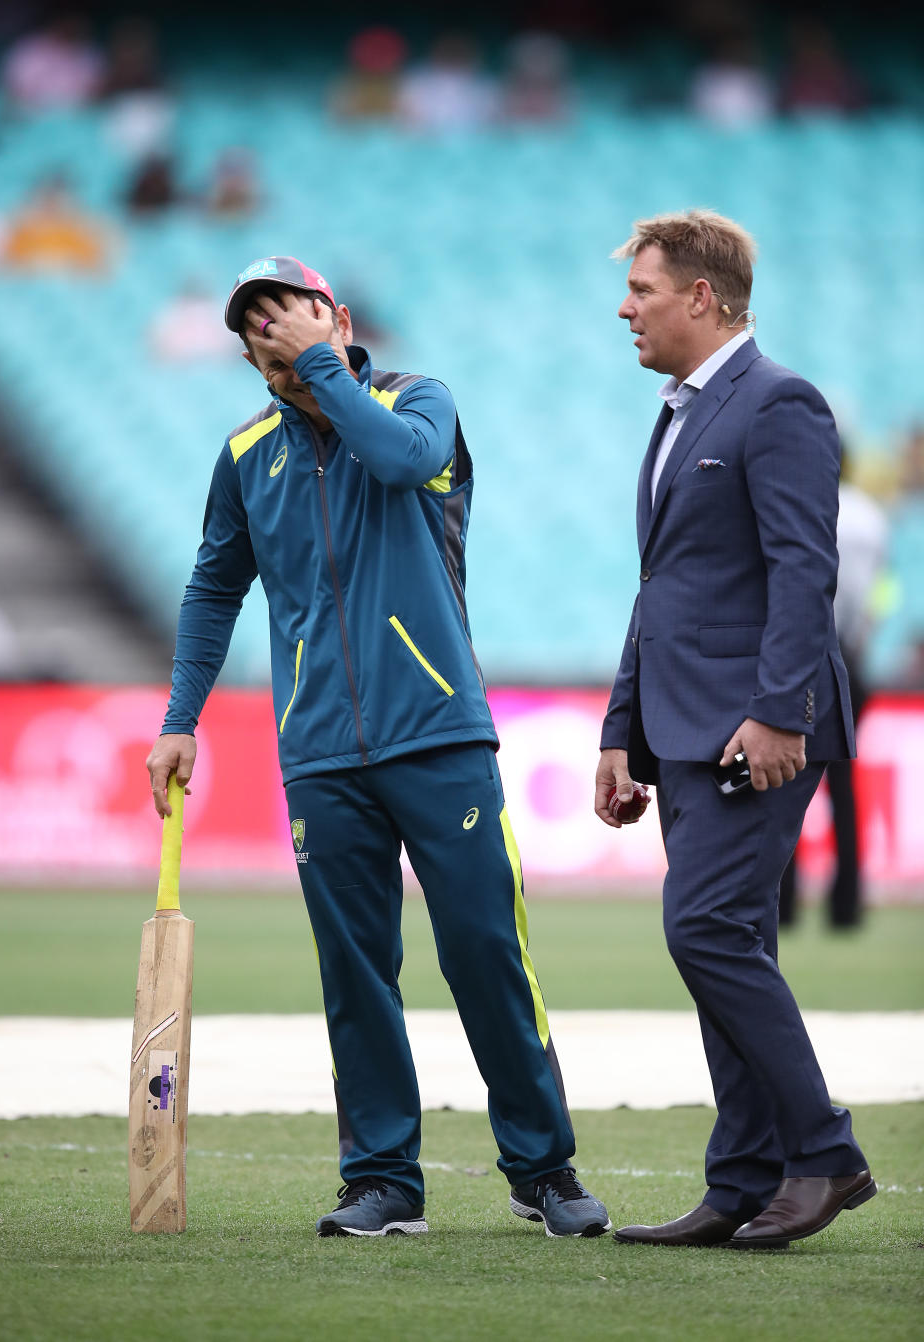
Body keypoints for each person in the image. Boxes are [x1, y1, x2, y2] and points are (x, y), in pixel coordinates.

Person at [145, 254, 610, 1240]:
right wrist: (180, 719)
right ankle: (383, 1179)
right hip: (318, 751)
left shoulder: (417, 399)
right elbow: (212, 590)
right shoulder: (244, 452)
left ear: (338, 315)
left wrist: (324, 370)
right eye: (254, 324)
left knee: (486, 952)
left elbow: (399, 460)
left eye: (289, 311)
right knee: (355, 970)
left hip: (439, 731)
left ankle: (544, 1168)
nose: (271, 331)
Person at [596, 210, 875, 1250]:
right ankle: (744, 1177)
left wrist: (776, 711)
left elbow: (808, 569)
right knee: (731, 938)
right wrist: (620, 727)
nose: (626, 308)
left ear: (702, 298)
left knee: (704, 930)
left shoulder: (781, 403)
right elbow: (663, 585)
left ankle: (826, 1153)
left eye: (644, 290)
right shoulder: (677, 412)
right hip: (679, 724)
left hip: (753, 725)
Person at [779, 450, 890, 928]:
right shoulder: (871, 516)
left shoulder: (804, 502)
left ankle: (783, 903)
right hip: (852, 655)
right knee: (842, 784)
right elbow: (880, 592)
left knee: (784, 777)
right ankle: (846, 905)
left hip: (808, 651)